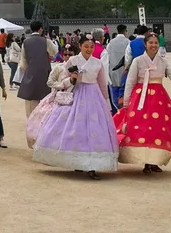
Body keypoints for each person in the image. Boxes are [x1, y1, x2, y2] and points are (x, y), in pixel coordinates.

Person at [32, 36, 119, 179]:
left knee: (94, 129)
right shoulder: (73, 61)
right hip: (76, 94)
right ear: (80, 46)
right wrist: (72, 78)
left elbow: (102, 85)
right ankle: (78, 160)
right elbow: (63, 80)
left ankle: (92, 165)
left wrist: (107, 103)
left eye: (91, 47)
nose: (89, 49)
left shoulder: (97, 63)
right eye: (86, 46)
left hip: (94, 97)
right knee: (76, 128)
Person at [115, 32, 171, 173]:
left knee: (157, 128)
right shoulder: (137, 61)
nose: (153, 45)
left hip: (159, 98)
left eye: (156, 43)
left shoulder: (163, 61)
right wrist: (126, 102)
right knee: (141, 128)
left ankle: (154, 161)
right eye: (151, 43)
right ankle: (145, 160)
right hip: (140, 97)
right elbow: (130, 82)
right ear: (145, 44)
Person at [24, 59, 69, 149]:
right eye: (65, 54)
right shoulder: (59, 67)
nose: (67, 56)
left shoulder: (79, 67)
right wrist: (61, 85)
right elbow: (50, 81)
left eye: (70, 54)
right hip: (58, 96)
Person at [17, 22, 56, 116]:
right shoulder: (46, 41)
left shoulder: (26, 42)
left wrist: (28, 71)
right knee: (45, 99)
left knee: (31, 102)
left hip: (30, 72)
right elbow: (54, 51)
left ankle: (31, 120)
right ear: (41, 29)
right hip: (44, 73)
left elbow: (23, 62)